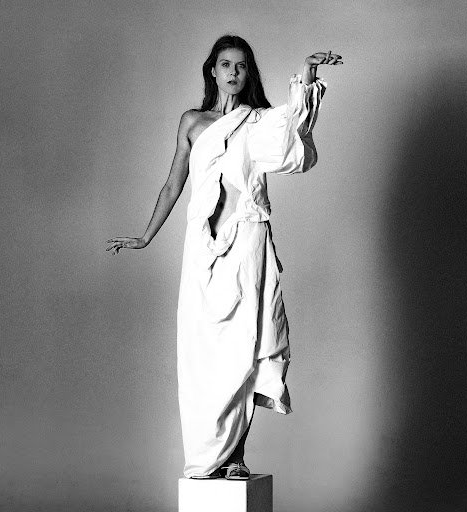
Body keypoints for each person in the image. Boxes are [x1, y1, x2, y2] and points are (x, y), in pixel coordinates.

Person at [107, 35, 343, 480]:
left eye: (241, 65)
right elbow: (173, 183)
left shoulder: (258, 121)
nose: (233, 72)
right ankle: (209, 451)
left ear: (248, 73)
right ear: (212, 71)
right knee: (203, 351)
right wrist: (145, 237)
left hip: (247, 242)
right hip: (202, 249)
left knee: (245, 346)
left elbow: (294, 129)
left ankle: (235, 456)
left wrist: (308, 72)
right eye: (225, 64)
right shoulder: (192, 122)